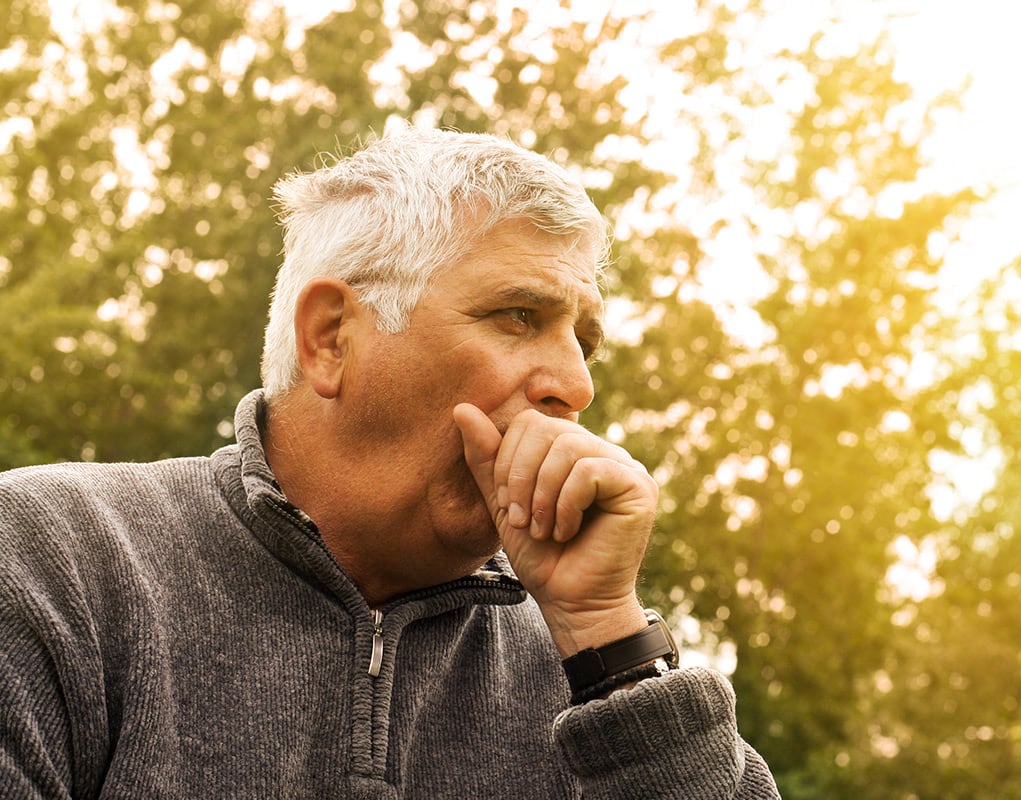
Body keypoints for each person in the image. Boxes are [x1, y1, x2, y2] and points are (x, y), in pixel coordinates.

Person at [0, 127, 780, 797]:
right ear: (332, 337)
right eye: (519, 316)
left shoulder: (584, 666)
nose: (577, 384)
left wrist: (607, 641)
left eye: (584, 340)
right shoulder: (50, 562)